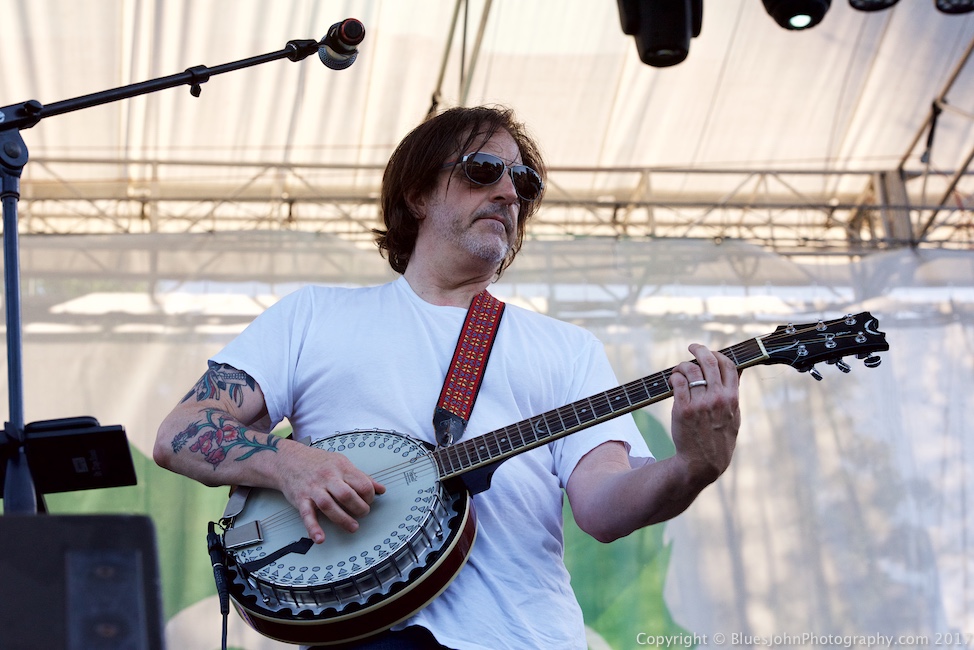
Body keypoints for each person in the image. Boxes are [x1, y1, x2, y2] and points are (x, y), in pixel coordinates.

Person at [153, 105, 741, 650]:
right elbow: (180, 432)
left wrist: (691, 467)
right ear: (417, 194)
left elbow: (603, 507)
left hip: (521, 637)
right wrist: (288, 463)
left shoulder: (567, 349)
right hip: (357, 634)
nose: (508, 192)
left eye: (523, 181)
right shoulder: (311, 316)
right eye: (483, 170)